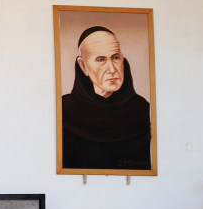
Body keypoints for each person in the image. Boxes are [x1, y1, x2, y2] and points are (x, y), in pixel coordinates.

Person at [60, 26, 152, 170]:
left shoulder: (142, 109)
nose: (112, 69)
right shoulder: (64, 110)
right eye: (101, 59)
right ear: (83, 66)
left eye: (115, 58)